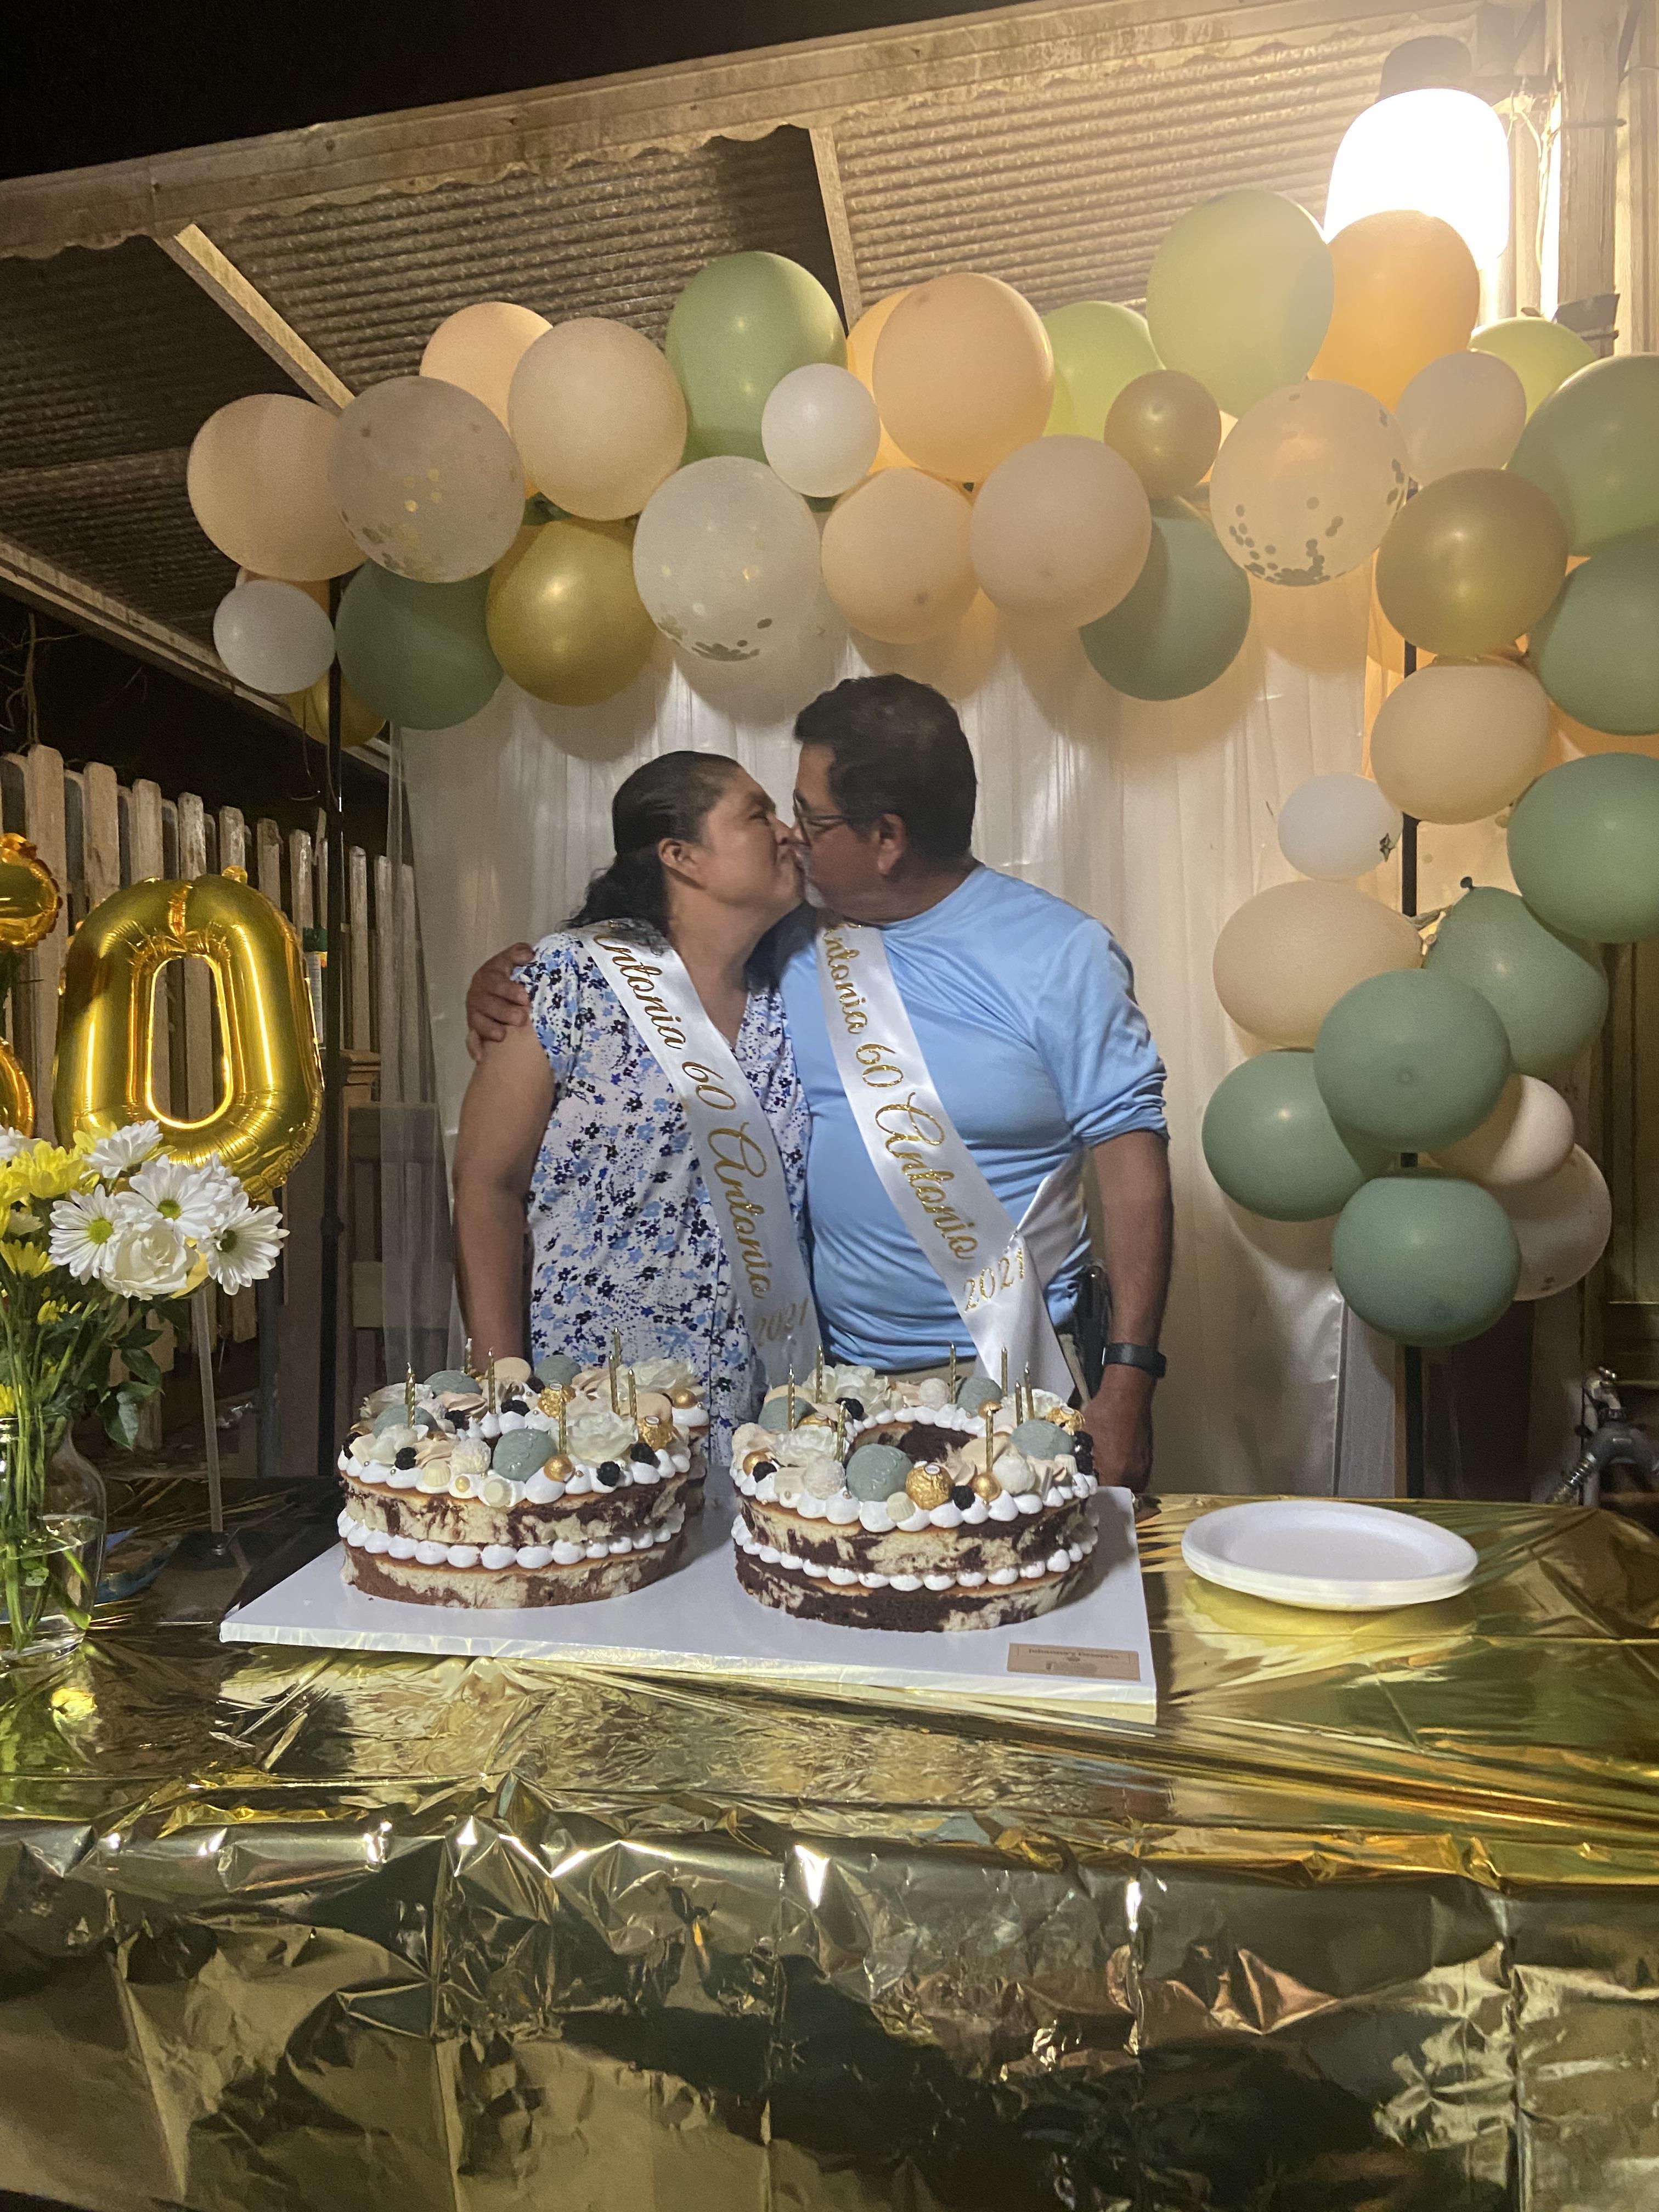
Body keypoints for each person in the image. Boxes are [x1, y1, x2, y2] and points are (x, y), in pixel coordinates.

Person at [468, 676, 1172, 1489]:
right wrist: (502, 984)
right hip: (826, 1391)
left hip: (1019, 1369)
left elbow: (1134, 1173)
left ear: (887, 838)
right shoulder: (790, 939)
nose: (793, 837)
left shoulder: (1062, 953)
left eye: (811, 817)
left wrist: (1130, 1382)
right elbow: (653, 958)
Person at [450, 750, 810, 1453]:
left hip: (756, 1420)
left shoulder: (792, 997)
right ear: (682, 855)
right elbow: (486, 1187)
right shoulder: (570, 979)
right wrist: (503, 1394)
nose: (787, 832)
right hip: (589, 1421)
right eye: (757, 815)